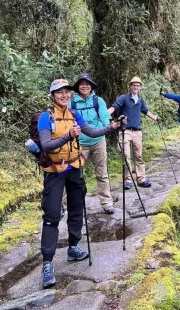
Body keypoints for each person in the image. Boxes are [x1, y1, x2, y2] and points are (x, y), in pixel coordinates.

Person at [38, 79, 121, 288]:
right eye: (59, 92)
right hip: (55, 171)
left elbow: (92, 132)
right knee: (52, 214)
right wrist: (68, 135)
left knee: (76, 208)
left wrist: (112, 126)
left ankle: (74, 247)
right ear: (52, 95)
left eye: (66, 92)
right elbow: (47, 145)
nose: (64, 95)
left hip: (74, 168)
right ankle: (47, 263)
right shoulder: (45, 117)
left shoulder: (75, 114)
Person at [70, 73, 115, 215]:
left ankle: (107, 202)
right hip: (79, 143)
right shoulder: (72, 103)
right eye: (81, 84)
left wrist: (109, 126)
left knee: (102, 173)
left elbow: (104, 118)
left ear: (91, 86)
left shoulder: (98, 101)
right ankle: (68, 203)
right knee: (73, 173)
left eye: (87, 84)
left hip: (98, 141)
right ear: (77, 87)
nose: (84, 86)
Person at [107, 76, 160, 189]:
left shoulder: (140, 100)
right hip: (125, 131)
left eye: (138, 85)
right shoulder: (123, 98)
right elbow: (114, 107)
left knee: (138, 156)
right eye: (134, 85)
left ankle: (141, 179)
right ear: (130, 86)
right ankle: (128, 180)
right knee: (125, 156)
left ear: (140, 87)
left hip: (137, 132)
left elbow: (145, 111)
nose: (136, 87)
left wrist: (155, 118)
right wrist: (105, 114)